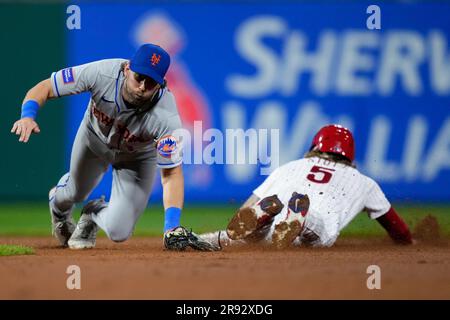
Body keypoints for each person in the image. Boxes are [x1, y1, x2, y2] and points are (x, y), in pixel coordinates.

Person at [11, 43, 218, 251]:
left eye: (151, 82)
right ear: (127, 68)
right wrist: (28, 116)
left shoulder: (167, 117)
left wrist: (171, 226)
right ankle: (58, 208)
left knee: (119, 232)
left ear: (161, 84)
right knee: (74, 193)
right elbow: (45, 87)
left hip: (137, 158)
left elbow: (171, 174)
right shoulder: (101, 73)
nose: (143, 87)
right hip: (94, 140)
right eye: (139, 77)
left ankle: (93, 211)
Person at [202, 124, 413, 249]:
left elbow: (243, 211)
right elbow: (398, 230)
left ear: (315, 146)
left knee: (250, 238)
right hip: (306, 222)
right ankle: (302, 218)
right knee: (317, 233)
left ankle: (261, 216)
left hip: (275, 220)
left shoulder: (292, 166)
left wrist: (249, 216)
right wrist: (408, 241)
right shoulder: (365, 182)